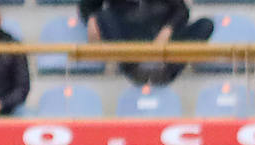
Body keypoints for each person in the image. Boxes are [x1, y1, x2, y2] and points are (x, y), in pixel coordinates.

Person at [81, 0, 214, 86]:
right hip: (128, 39)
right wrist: (92, 21)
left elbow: (182, 11)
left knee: (205, 25)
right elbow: (88, 7)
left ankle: (166, 71)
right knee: (103, 17)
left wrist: (167, 30)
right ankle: (132, 67)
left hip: (162, 41)